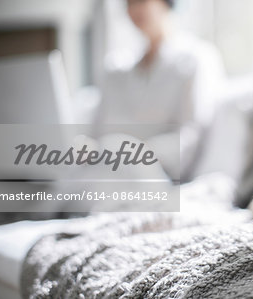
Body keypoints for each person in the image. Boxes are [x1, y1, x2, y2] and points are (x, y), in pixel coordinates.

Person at [96, 0, 225, 181]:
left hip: (155, 175)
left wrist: (133, 155)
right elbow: (98, 130)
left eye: (142, 1)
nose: (135, 9)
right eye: (129, 2)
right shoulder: (117, 69)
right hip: (107, 170)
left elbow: (191, 138)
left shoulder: (196, 58)